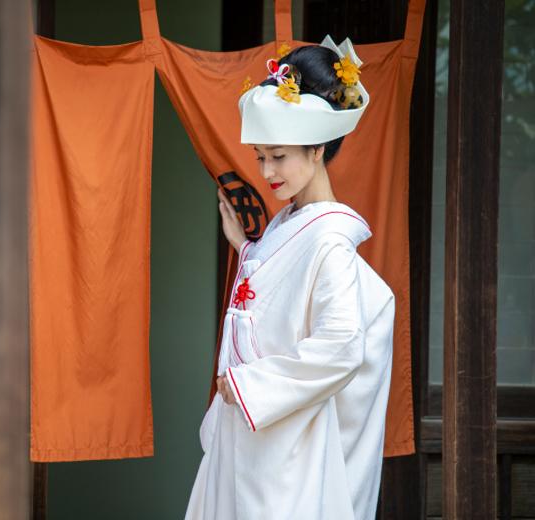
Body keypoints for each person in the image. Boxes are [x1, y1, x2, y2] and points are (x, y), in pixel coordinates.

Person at [184, 36, 395, 520]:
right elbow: (279, 285)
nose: (266, 171)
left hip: (287, 445)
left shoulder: (331, 242)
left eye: (278, 156)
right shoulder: (290, 224)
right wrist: (248, 250)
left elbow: (341, 346)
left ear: (317, 149)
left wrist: (250, 386)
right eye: (261, 157)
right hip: (258, 432)